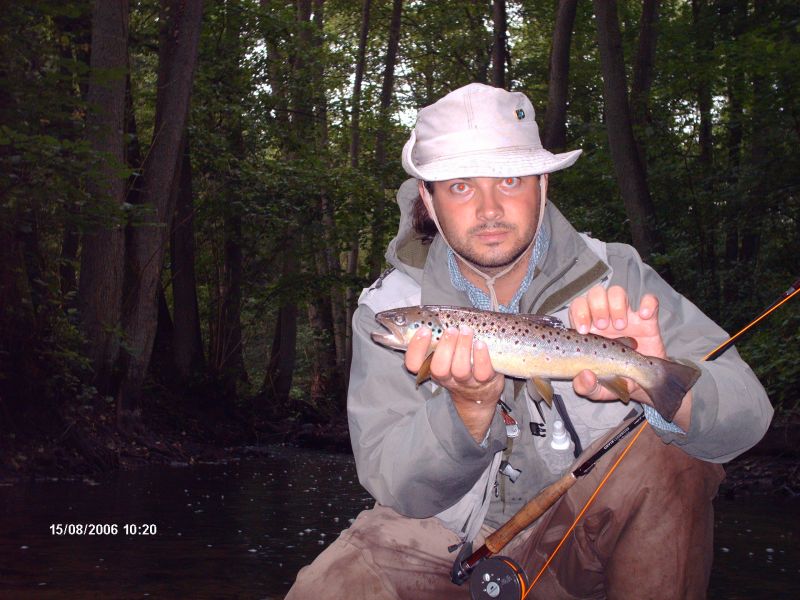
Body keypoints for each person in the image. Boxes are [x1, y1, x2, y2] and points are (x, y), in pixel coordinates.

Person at [286, 83, 772, 599]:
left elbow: (749, 416)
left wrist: (658, 386)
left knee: (672, 457)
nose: (489, 209)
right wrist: (467, 414)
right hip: (440, 538)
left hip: (582, 535)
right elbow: (398, 488)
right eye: (461, 186)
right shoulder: (387, 306)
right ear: (428, 199)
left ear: (543, 184)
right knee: (329, 586)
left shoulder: (619, 276)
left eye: (510, 179)